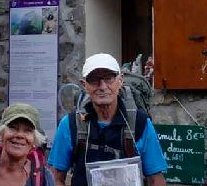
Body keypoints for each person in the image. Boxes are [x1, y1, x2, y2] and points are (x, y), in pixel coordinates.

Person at [49, 54, 168, 186]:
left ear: (120, 80)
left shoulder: (139, 123)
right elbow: (55, 178)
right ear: (84, 85)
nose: (103, 86)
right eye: (94, 80)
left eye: (109, 78)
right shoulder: (71, 125)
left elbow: (156, 179)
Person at [0, 104, 54, 186]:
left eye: (28, 130)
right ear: (1, 134)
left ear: (34, 141)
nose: (20, 135)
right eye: (13, 127)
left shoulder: (44, 178)